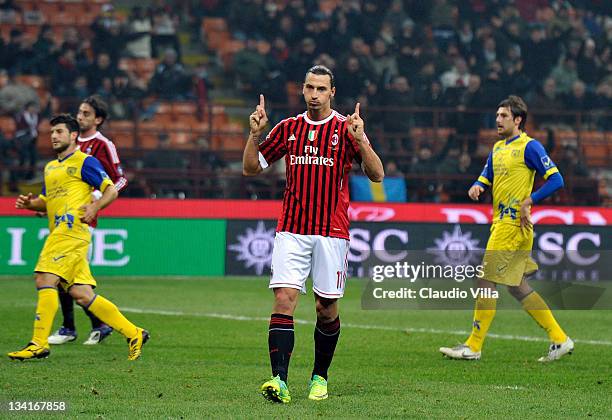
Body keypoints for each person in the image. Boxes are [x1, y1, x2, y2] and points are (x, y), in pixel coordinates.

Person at [243, 65, 384, 403]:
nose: (315, 94)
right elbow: (250, 168)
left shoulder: (344, 128)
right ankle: (279, 380)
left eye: (321, 88)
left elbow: (377, 174)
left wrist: (361, 139)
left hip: (332, 231)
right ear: (302, 90)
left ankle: (319, 376)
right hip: (292, 228)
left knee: (326, 307)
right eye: (309, 88)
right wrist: (254, 135)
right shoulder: (289, 128)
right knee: (283, 299)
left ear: (332, 92)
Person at [439, 95, 573, 362]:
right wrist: (478, 185)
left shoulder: (530, 147)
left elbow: (557, 179)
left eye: (503, 116)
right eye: (497, 115)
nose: (497, 120)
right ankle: (560, 339)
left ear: (518, 120)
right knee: (516, 286)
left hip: (512, 225)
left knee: (485, 280)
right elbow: (486, 174)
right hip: (502, 223)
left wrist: (530, 200)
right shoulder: (498, 147)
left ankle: (473, 346)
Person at [7, 114, 148, 361]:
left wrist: (95, 207)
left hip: (71, 231)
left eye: (59, 132)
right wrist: (32, 204)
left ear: (73, 136)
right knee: (82, 293)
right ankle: (133, 332)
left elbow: (111, 189)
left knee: (44, 278)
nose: (53, 136)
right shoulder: (50, 168)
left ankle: (38, 343)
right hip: (60, 231)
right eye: (52, 132)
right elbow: (48, 201)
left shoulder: (86, 162)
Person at [48, 96, 128, 346]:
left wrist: (96, 201)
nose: (80, 116)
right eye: (79, 112)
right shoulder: (68, 143)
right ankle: (92, 326)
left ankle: (74, 327)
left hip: (82, 220)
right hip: (63, 217)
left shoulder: (102, 144)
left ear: (98, 119)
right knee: (67, 278)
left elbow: (120, 180)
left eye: (86, 113)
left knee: (64, 276)